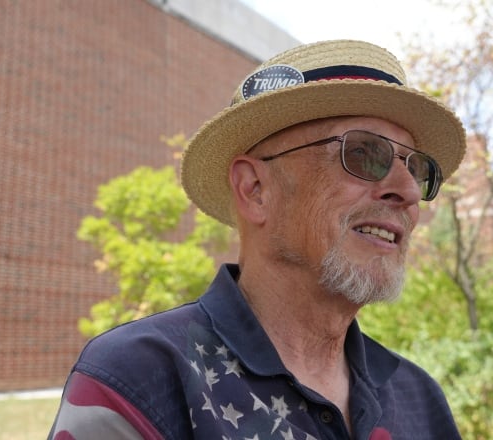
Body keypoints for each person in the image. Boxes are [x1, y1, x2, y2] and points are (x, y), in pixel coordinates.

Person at [48, 39, 466, 440]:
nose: (409, 192)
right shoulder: (138, 381)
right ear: (255, 190)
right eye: (363, 153)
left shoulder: (419, 398)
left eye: (417, 169)